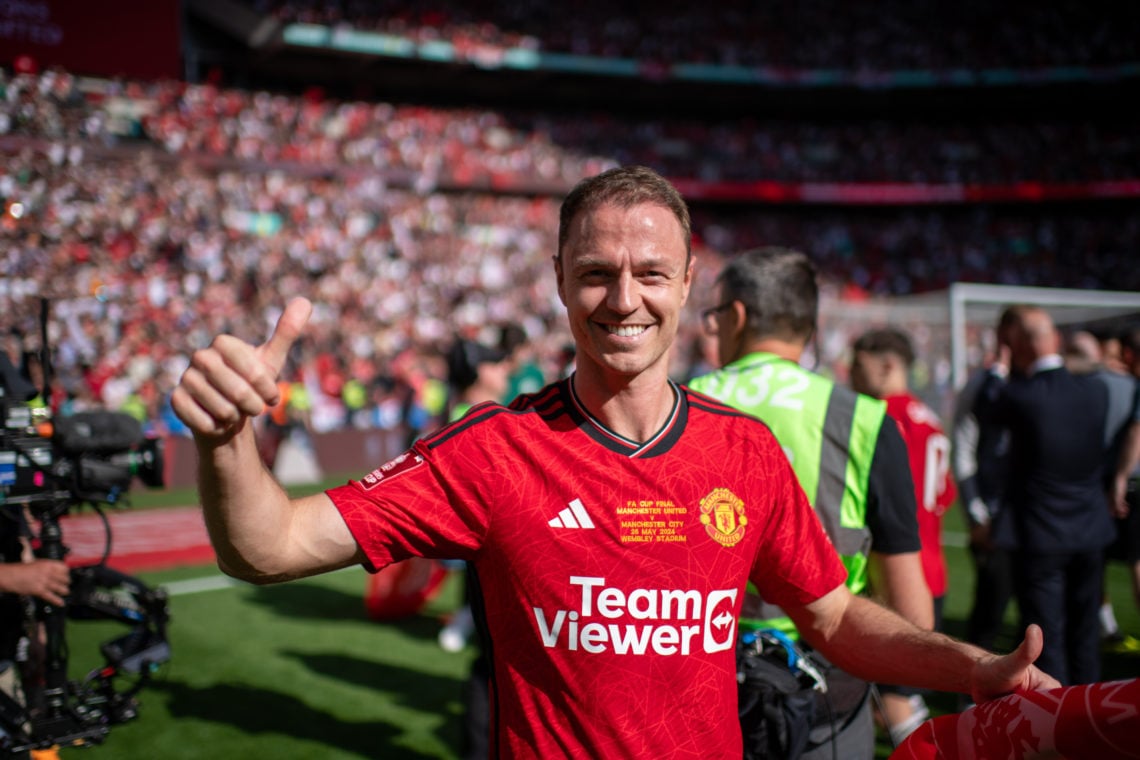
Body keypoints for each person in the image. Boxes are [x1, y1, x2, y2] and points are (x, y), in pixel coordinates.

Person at [171, 166, 1058, 758]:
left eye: (649, 273)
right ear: (559, 279)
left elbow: (832, 616)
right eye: (596, 273)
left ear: (687, 282)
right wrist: (224, 438)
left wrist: (970, 668)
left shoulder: (743, 451)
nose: (623, 299)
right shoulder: (493, 448)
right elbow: (271, 545)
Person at [688, 248, 933, 759]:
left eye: (714, 316)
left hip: (701, 677)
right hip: (827, 688)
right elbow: (912, 610)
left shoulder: (682, 402)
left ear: (735, 316)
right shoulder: (864, 419)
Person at [980, 306, 1115, 685]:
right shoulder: (1096, 390)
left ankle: (1058, 725)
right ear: (1055, 339)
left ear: (1018, 345)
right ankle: (1091, 717)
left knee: (1046, 638)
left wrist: (998, 368)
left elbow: (987, 407)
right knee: (1085, 632)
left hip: (1041, 535)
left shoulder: (1019, 395)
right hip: (1090, 530)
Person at [849, 326, 957, 744]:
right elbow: (944, 495)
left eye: (858, 368)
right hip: (934, 570)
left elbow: (881, 506)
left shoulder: (881, 420)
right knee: (902, 692)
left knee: (891, 695)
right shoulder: (929, 417)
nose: (851, 378)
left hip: (897, 573)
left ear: (888, 365)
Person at [951, 309, 1018, 659]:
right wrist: (976, 514)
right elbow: (963, 449)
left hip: (1037, 520)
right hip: (994, 517)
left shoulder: (1042, 384)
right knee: (990, 607)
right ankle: (973, 691)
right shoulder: (982, 386)